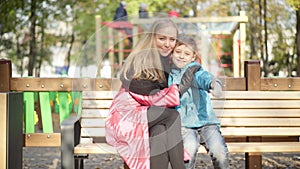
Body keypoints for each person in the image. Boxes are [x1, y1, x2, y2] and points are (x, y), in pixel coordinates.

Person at [105, 19, 198, 169]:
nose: (167, 44)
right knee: (172, 117)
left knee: (159, 132)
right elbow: (146, 93)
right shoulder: (140, 58)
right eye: (162, 38)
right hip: (127, 117)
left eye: (172, 39)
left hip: (148, 116)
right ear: (152, 37)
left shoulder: (168, 61)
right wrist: (177, 89)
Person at [168, 34, 230, 169]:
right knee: (188, 149)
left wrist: (214, 84)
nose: (181, 56)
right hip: (185, 124)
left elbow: (205, 78)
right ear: (172, 54)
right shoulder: (170, 75)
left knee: (218, 150)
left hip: (207, 122)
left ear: (193, 57)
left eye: (187, 53)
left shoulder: (194, 71)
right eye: (178, 52)